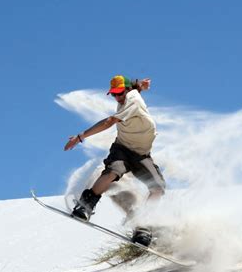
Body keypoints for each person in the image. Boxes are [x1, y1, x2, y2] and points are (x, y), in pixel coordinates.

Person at [64, 75, 166, 246]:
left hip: (142, 154)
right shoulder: (130, 95)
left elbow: (114, 117)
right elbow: (112, 118)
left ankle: (143, 227)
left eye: (120, 93)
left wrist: (80, 137)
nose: (118, 97)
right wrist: (81, 137)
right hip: (122, 149)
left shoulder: (133, 99)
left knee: (158, 188)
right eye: (114, 94)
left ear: (127, 90)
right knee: (113, 172)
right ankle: (85, 205)